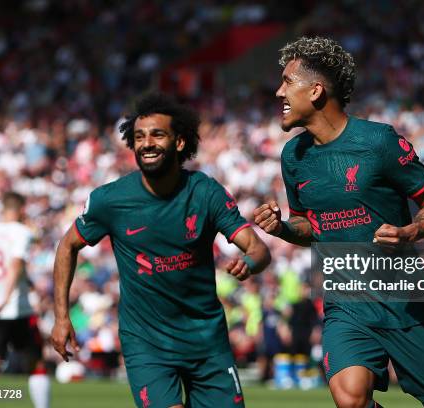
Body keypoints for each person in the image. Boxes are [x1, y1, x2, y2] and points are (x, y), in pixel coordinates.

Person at [253, 36, 424, 408]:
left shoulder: (378, 141)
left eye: (287, 82)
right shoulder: (293, 156)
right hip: (346, 302)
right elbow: (309, 226)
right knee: (350, 399)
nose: (278, 92)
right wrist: (283, 228)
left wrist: (411, 230)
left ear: (316, 91)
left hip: (406, 301)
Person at [51, 92, 271, 408]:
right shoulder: (110, 200)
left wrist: (249, 263)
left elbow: (259, 249)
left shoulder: (205, 192)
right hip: (147, 343)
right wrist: (61, 316)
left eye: (157, 134)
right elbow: (67, 245)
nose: (146, 143)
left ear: (179, 142)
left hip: (206, 341)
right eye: (139, 136)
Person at [0, 192, 50, 408]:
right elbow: (16, 264)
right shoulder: (21, 232)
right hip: (17, 308)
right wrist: (6, 298)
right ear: (22, 209)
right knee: (36, 364)